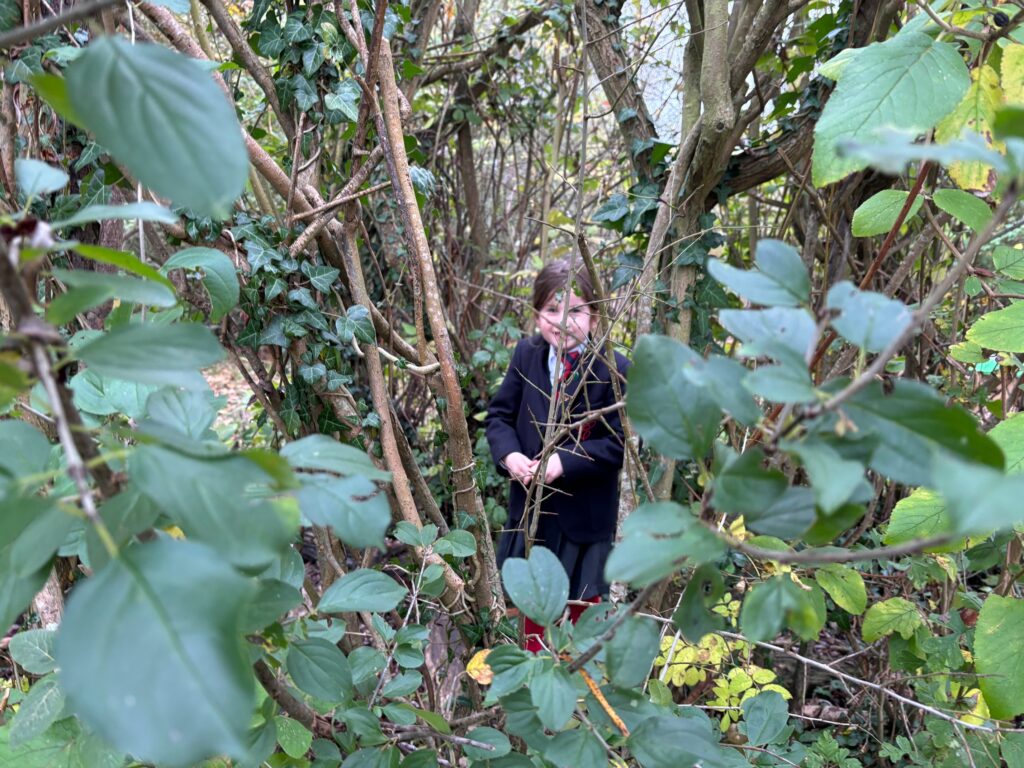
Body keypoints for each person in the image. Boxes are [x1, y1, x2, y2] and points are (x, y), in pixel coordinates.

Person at [485, 258, 629, 652]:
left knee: (581, 617)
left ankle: (579, 694)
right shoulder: (527, 355)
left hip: (584, 521)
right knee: (535, 612)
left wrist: (563, 462)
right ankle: (537, 686)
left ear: (595, 318)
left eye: (575, 310)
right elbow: (499, 417)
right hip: (532, 514)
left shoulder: (613, 369)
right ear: (536, 316)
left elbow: (620, 444)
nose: (562, 321)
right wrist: (510, 456)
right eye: (552, 310)